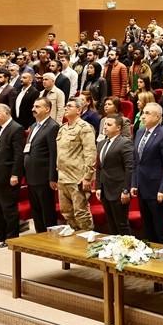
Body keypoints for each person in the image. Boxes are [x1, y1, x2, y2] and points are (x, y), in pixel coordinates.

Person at [131, 102, 163, 257]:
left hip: (157, 189)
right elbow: (136, 161)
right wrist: (134, 183)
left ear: (158, 117)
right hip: (142, 187)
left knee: (160, 226)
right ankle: (150, 256)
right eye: (143, 112)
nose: (143, 116)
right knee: (148, 226)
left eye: (148, 113)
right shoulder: (139, 132)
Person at [55, 98, 97, 232]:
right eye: (65, 106)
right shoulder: (62, 128)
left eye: (70, 106)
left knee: (81, 213)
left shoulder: (84, 128)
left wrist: (87, 177)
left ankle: (88, 239)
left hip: (77, 177)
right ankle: (76, 238)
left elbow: (90, 153)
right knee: (66, 212)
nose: (66, 108)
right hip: (63, 177)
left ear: (79, 110)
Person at [0, 103, 25, 246]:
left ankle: (11, 237)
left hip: (7, 174)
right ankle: (0, 235)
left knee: (8, 208)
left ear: (7, 113)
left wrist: (15, 174)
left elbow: (18, 155)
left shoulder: (16, 129)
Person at [23, 97, 59, 234]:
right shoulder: (34, 126)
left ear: (47, 109)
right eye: (34, 106)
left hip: (44, 176)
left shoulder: (52, 126)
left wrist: (52, 177)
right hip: (31, 174)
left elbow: (53, 154)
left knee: (46, 210)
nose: (33, 109)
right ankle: (40, 234)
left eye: (38, 106)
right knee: (36, 209)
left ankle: (49, 237)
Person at [95, 115, 134, 236]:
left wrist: (126, 189)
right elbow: (99, 167)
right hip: (105, 188)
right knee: (111, 222)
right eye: (105, 124)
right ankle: (115, 247)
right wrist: (98, 187)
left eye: (109, 125)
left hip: (119, 189)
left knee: (121, 223)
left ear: (118, 128)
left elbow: (129, 168)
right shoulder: (101, 143)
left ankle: (127, 249)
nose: (105, 127)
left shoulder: (124, 142)